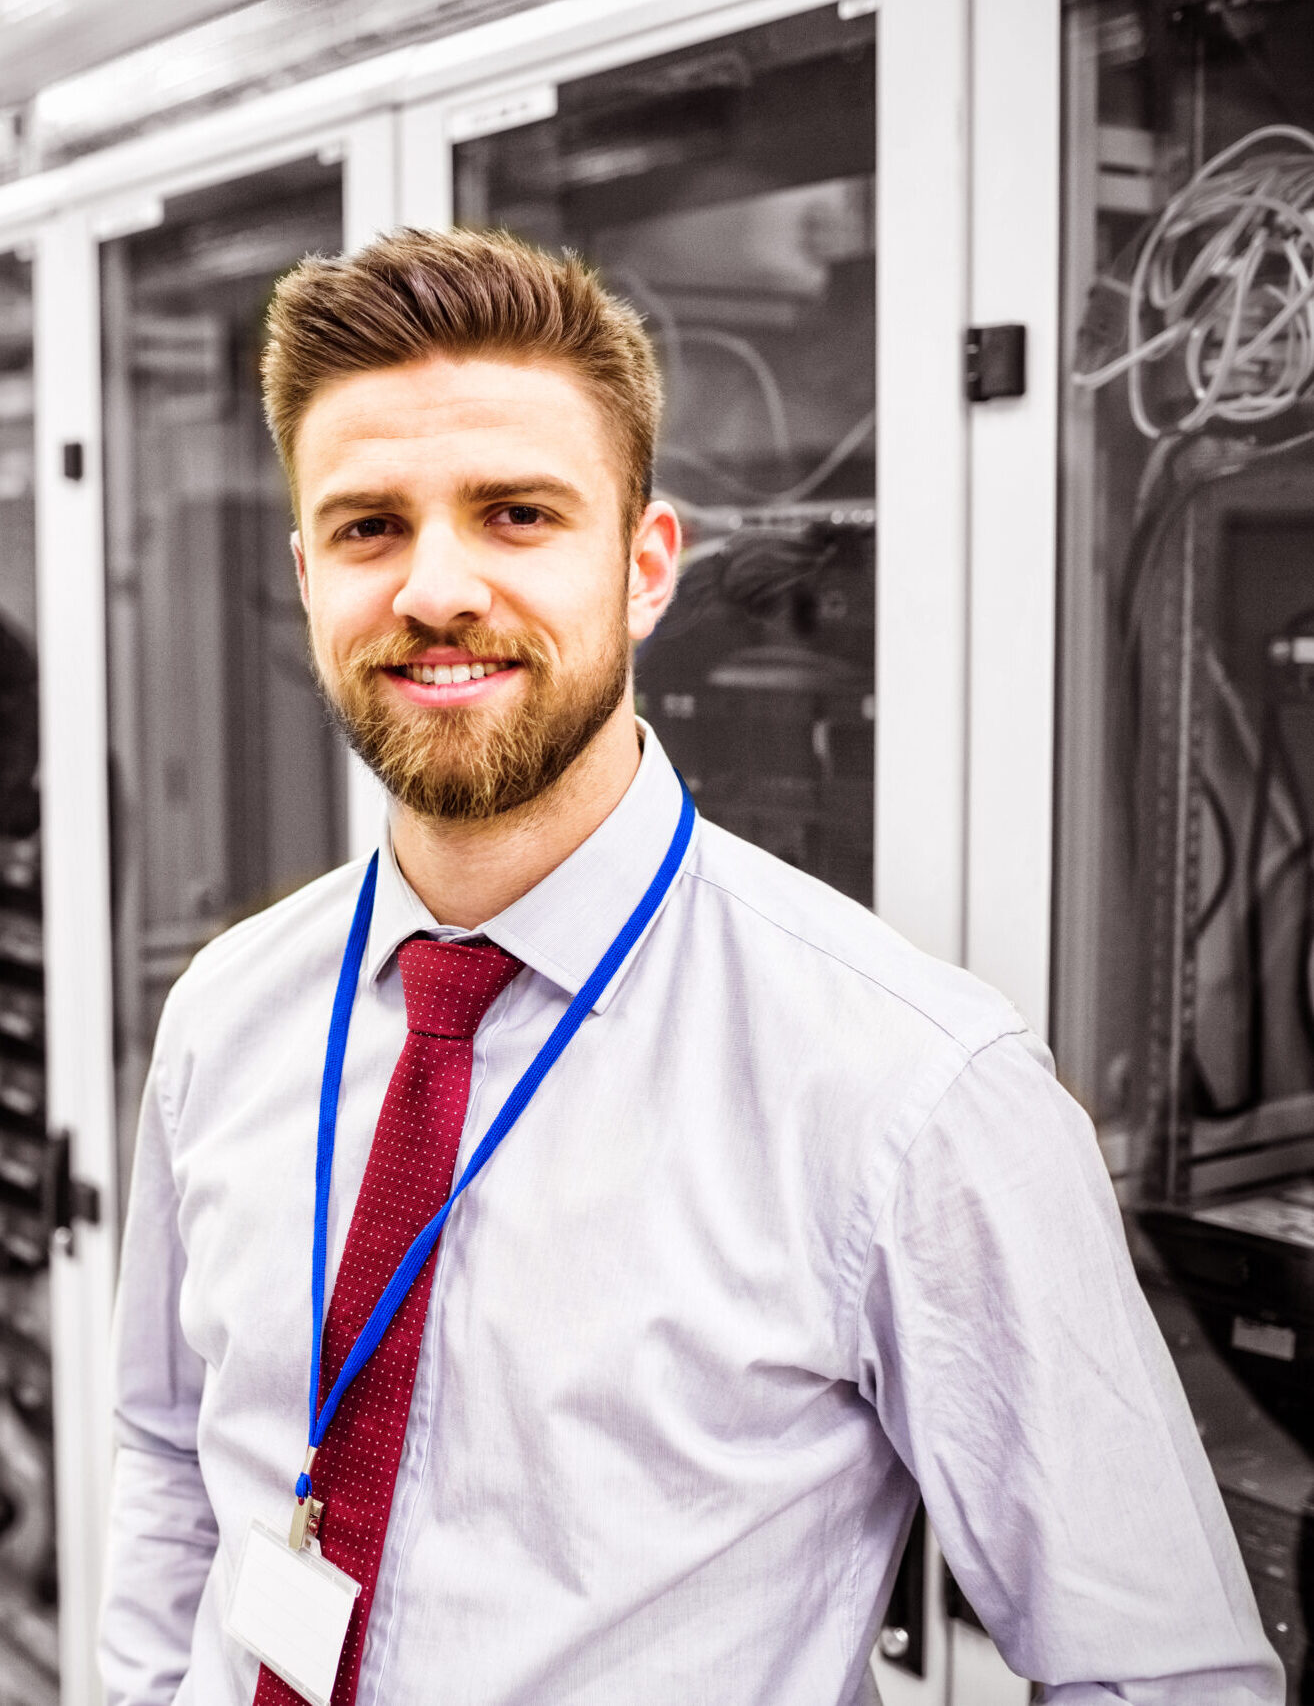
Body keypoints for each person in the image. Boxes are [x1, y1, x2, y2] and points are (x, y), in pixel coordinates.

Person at [99, 226, 1282, 1706]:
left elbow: (1155, 1671)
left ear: (646, 564)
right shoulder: (229, 1010)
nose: (436, 588)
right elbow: (167, 1448)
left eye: (517, 513)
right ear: (306, 574)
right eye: (367, 528)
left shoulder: (907, 1087)